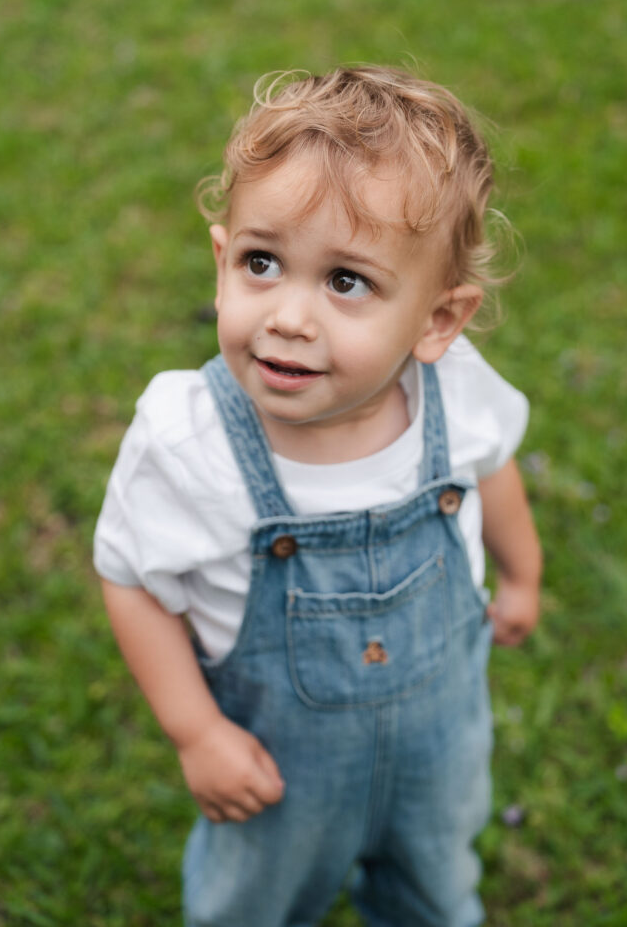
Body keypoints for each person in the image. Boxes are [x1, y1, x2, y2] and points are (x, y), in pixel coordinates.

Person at [94, 66, 542, 927]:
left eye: (346, 282)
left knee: (434, 885)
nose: (290, 317)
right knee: (252, 905)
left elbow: (491, 467)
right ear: (222, 261)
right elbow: (132, 579)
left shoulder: (458, 392)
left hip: (437, 749)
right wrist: (198, 734)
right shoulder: (190, 441)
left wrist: (519, 573)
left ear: (437, 322)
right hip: (276, 770)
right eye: (264, 263)